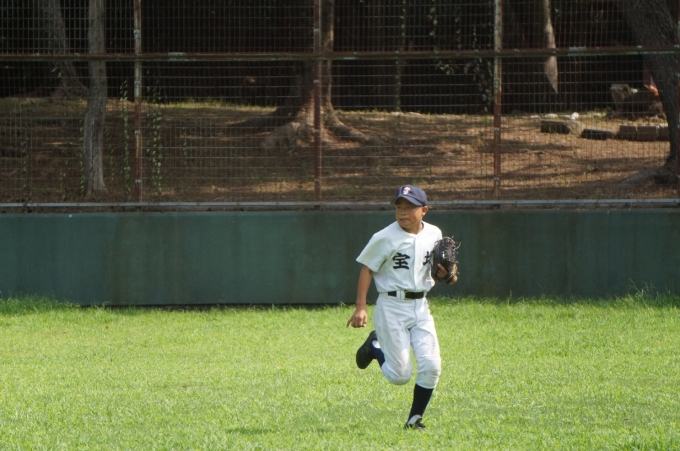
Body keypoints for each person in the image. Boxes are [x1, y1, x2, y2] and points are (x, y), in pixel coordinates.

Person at [346, 184, 458, 431]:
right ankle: (374, 346)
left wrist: (448, 276)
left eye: (409, 207)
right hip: (392, 307)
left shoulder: (434, 234)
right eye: (399, 207)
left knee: (432, 366)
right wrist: (361, 306)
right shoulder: (384, 237)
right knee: (399, 376)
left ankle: (414, 420)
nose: (403, 212)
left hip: (421, 307)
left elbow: (447, 275)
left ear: (424, 210)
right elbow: (367, 268)